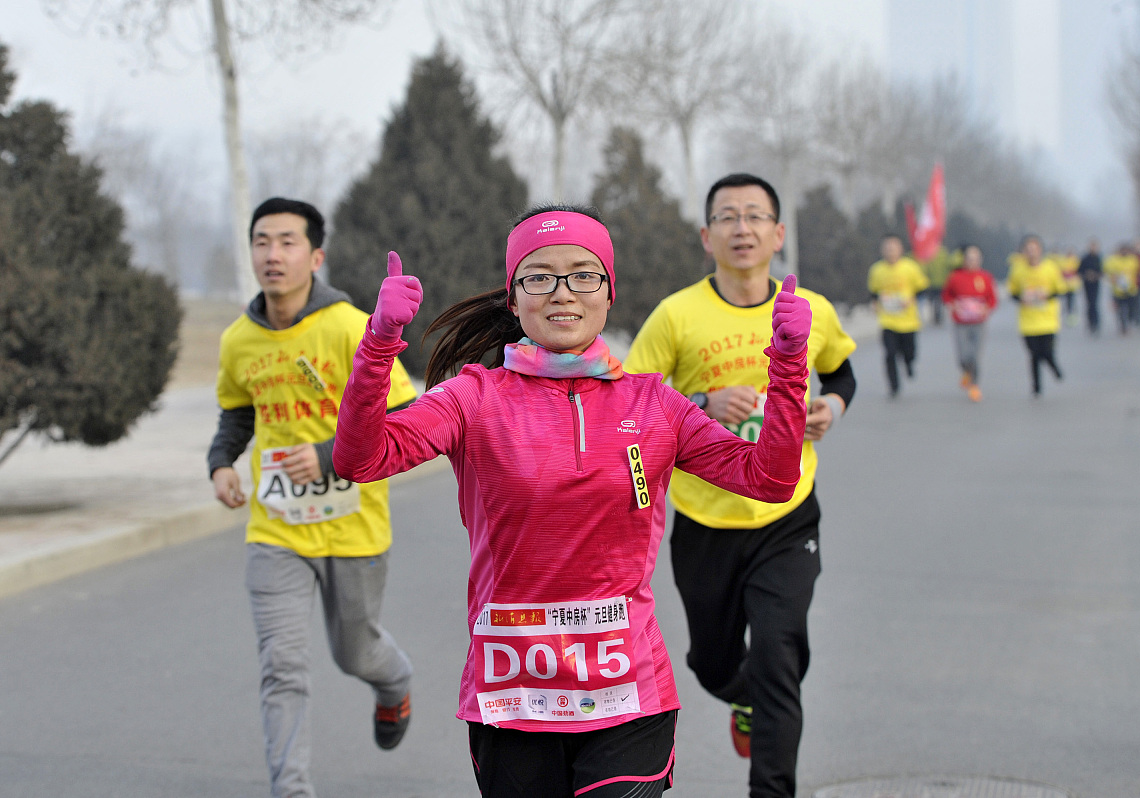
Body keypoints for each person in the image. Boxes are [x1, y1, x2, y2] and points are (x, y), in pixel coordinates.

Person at [331, 205, 814, 798]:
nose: (563, 293)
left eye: (584, 275)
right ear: (513, 298)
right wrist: (378, 344)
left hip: (627, 689)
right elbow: (359, 459)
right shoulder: (472, 399)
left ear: (609, 294)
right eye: (539, 276)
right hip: (513, 692)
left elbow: (768, 479)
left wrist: (788, 363)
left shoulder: (654, 405)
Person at [624, 173, 857, 798]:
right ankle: (742, 698)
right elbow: (631, 402)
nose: (742, 227)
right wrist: (701, 399)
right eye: (727, 216)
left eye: (756, 216)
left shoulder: (813, 309)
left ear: (778, 234)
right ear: (707, 236)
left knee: (780, 658)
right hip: (705, 522)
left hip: (786, 517)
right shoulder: (676, 315)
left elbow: (841, 372)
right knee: (715, 664)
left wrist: (830, 406)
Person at [207, 197, 417, 798]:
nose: (273, 254)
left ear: (316, 256)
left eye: (287, 242)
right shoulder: (237, 341)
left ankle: (394, 682)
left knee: (355, 653)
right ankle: (292, 790)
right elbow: (236, 415)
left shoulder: (351, 326)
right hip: (275, 528)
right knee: (283, 667)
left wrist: (327, 454)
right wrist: (221, 463)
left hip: (353, 524)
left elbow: (401, 412)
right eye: (262, 241)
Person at [867, 234, 929, 397]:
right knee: (890, 353)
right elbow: (873, 292)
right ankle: (894, 385)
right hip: (888, 320)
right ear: (882, 250)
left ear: (900, 249)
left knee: (909, 352)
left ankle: (909, 363)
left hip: (908, 321)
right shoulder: (877, 270)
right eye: (887, 248)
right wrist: (875, 304)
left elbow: (922, 288)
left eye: (893, 248)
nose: (890, 251)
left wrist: (911, 299)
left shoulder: (910, 267)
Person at [1006, 234, 1066, 396]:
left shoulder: (1050, 267)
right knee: (1033, 354)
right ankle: (1036, 386)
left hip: (1048, 319)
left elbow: (1060, 289)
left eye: (1034, 249)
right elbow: (1012, 292)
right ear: (1023, 252)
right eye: (1028, 249)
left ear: (1040, 250)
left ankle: (1054, 366)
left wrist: (1046, 295)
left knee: (1046, 351)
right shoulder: (1018, 270)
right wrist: (1022, 298)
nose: (1031, 252)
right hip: (1028, 320)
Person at [941, 243, 997, 402]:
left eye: (976, 259)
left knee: (974, 355)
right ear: (964, 260)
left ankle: (974, 385)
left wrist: (987, 308)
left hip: (979, 322)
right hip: (961, 322)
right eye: (969, 259)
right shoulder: (955, 277)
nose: (972, 262)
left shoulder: (985, 277)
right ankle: (966, 371)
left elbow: (992, 299)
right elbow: (946, 295)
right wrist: (953, 305)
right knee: (963, 355)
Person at [1104, 243, 1140, 335]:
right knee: (1120, 310)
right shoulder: (1114, 260)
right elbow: (1108, 271)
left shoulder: (1133, 260)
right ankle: (1123, 326)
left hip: (1131, 289)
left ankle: (1129, 323)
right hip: (1118, 290)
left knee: (1131, 309)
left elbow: (1138, 272)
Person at [1078, 239, 1104, 335]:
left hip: (1096, 284)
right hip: (1087, 284)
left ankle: (1096, 322)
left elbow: (1103, 271)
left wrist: (1095, 275)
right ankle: (1090, 322)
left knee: (1094, 303)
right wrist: (1087, 275)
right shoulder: (1085, 258)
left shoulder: (1099, 258)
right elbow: (1079, 271)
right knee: (1089, 303)